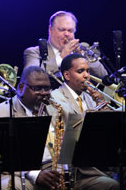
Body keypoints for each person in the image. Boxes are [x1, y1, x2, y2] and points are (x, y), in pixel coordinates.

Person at [51, 53, 119, 190]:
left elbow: (111, 124)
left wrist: (101, 103)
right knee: (112, 185)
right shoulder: (55, 97)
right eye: (80, 71)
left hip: (97, 155)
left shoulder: (88, 96)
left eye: (88, 71)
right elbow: (68, 126)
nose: (87, 75)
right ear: (67, 75)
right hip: (76, 166)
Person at [23, 11, 108, 81]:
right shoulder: (34, 52)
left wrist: (85, 57)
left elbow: (103, 76)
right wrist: (62, 56)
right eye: (62, 30)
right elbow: (30, 76)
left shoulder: (81, 52)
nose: (66, 34)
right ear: (50, 30)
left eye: (70, 31)